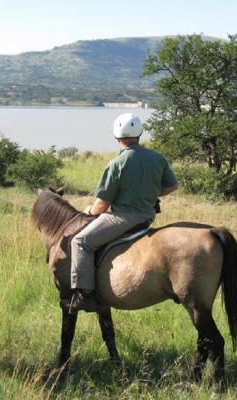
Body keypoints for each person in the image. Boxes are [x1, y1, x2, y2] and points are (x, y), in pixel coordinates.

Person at [66, 113, 178, 313]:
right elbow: (172, 185)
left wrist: (89, 211)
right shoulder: (157, 157)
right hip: (147, 217)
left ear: (117, 137)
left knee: (80, 242)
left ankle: (85, 296)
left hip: (122, 219)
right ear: (140, 134)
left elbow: (102, 204)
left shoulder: (116, 164)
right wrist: (151, 193)